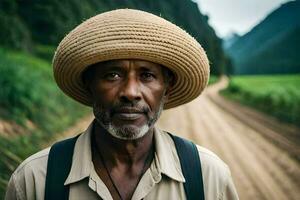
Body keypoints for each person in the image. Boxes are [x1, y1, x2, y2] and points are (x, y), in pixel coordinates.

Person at [5, 9, 239, 200]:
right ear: (90, 85)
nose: (130, 92)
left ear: (167, 88)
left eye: (147, 75)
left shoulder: (209, 178)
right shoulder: (35, 180)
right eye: (112, 75)